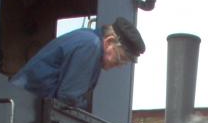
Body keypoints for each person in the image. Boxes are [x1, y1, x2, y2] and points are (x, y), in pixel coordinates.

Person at [10, 17, 145, 110]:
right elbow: (68, 97)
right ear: (109, 42)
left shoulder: (87, 38)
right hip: (22, 104)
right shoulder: (91, 46)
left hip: (21, 101)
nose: (119, 65)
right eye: (120, 58)